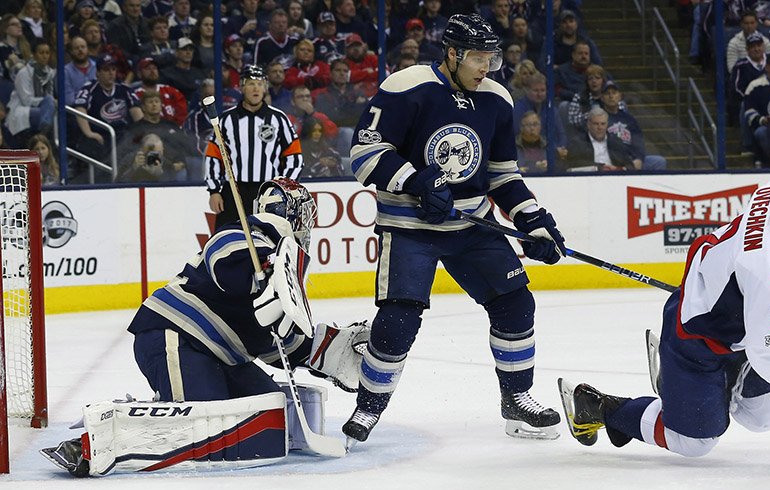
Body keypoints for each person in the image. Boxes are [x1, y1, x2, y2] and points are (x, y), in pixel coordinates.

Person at [559, 165, 770, 457]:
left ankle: (719, 384)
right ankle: (605, 409)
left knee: (763, 417)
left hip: (732, 318)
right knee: (694, 442)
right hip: (696, 341)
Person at [43, 177, 371, 476]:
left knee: (270, 410)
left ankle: (169, 404)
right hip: (175, 335)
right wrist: (263, 268)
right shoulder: (242, 234)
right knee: (203, 423)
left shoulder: (279, 270)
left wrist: (326, 349)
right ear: (294, 216)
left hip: (222, 356)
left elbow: (273, 345)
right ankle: (96, 439)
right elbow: (224, 261)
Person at [343, 13, 564, 444]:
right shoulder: (406, 86)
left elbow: (501, 173)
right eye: (479, 58)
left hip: (473, 224)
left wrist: (532, 218)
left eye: (491, 58)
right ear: (452, 53)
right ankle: (368, 409)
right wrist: (417, 179)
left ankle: (516, 401)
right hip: (410, 226)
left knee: (516, 304)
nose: (487, 67)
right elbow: (364, 154)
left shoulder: (497, 98)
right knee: (399, 319)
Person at [204, 64, 304, 230]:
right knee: (225, 241)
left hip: (268, 192)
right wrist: (214, 190)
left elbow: (294, 158)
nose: (256, 88)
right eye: (251, 83)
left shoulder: (279, 119)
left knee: (269, 243)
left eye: (260, 83)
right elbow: (214, 156)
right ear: (242, 87)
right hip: (233, 192)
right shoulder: (226, 120)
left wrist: (284, 188)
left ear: (265, 88)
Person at [6, 40, 54, 140]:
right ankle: (43, 133)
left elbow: (50, 94)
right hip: (21, 108)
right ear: (34, 54)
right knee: (47, 104)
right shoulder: (24, 73)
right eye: (41, 53)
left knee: (55, 108)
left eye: (47, 53)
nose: (45, 56)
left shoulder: (50, 73)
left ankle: (44, 135)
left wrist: (49, 101)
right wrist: (46, 100)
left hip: (43, 108)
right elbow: (26, 100)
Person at [133, 57, 188, 126]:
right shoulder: (135, 95)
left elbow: (182, 114)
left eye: (154, 68)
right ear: (139, 74)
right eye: (148, 69)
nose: (152, 71)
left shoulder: (171, 91)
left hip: (175, 131)